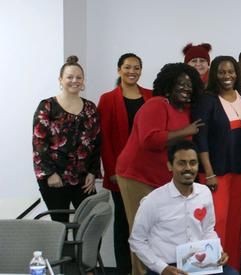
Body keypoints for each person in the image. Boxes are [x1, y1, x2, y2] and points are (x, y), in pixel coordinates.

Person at [116, 63, 204, 275]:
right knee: (141, 231)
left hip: (160, 178)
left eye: (189, 85)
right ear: (168, 85)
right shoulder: (156, 104)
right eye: (180, 84)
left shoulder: (184, 110)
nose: (186, 88)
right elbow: (149, 140)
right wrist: (186, 131)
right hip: (136, 175)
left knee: (158, 231)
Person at [129, 140, 237, 275]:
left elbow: (208, 230)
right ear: (170, 166)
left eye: (193, 163)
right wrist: (162, 268)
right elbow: (137, 240)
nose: (188, 168)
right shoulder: (153, 201)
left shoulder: (204, 193)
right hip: (167, 266)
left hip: (200, 263)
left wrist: (218, 252)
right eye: (181, 163)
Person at [192, 55, 241, 271]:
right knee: (216, 224)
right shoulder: (207, 99)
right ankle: (211, 270)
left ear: (236, 74)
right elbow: (200, 139)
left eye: (230, 72)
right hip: (216, 172)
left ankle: (233, 269)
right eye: (221, 72)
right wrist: (208, 172)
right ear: (214, 75)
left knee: (236, 225)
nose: (227, 76)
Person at [98, 53, 153, 274]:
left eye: (137, 67)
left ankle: (146, 268)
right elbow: (105, 138)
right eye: (128, 67)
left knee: (147, 225)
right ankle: (124, 269)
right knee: (123, 224)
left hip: (148, 172)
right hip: (121, 174)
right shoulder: (108, 99)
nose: (132, 71)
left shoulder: (151, 96)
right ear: (119, 69)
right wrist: (111, 171)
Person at [33, 55, 100, 224]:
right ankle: (62, 252)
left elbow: (96, 141)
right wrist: (50, 173)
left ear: (83, 81)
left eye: (78, 77)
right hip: (55, 179)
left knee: (90, 224)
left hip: (84, 179)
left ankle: (89, 252)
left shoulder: (91, 108)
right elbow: (39, 143)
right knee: (60, 227)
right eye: (69, 77)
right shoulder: (47, 106)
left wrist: (93, 172)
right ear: (61, 80)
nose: (74, 81)